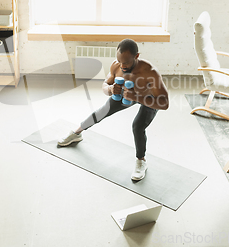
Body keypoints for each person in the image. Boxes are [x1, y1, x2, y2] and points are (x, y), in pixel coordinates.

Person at [58, 38, 169, 181]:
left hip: (149, 99)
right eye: (119, 61)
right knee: (102, 111)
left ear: (136, 56)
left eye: (126, 62)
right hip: (128, 94)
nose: (122, 66)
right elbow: (105, 84)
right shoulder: (116, 66)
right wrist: (110, 89)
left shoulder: (150, 72)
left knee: (138, 126)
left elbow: (165, 103)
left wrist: (137, 98)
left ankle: (141, 161)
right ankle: (76, 133)